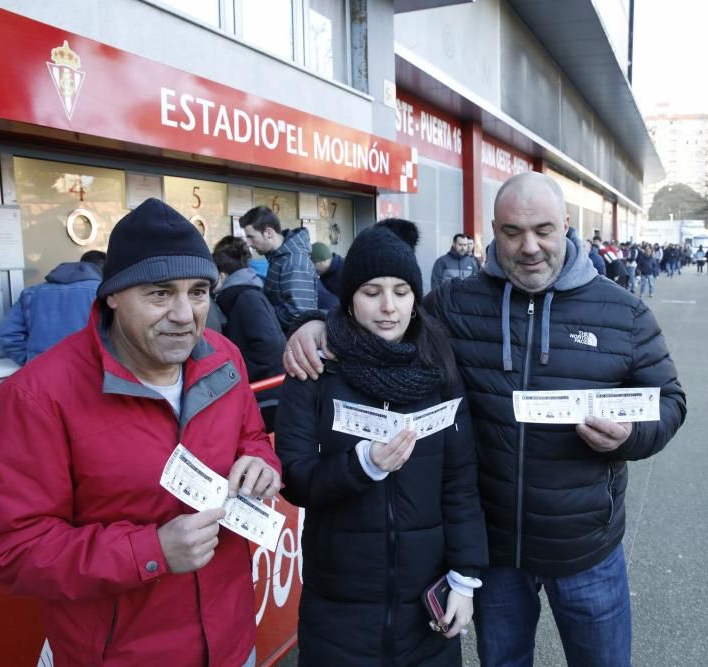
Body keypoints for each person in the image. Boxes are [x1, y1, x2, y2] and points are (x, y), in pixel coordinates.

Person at [283, 172, 687, 667]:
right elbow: (388, 318)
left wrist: (630, 436)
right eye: (513, 232)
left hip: (584, 547)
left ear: (567, 225)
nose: (530, 246)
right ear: (493, 231)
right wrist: (314, 324)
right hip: (494, 553)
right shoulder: (456, 303)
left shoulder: (622, 312)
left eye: (543, 229)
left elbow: (669, 400)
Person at [0, 198, 282, 666]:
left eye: (198, 292)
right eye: (160, 294)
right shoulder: (36, 397)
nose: (184, 315)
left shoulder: (224, 358)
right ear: (112, 296)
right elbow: (11, 550)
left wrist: (262, 465)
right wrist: (151, 551)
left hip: (231, 642)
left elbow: (251, 439)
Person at [276, 218, 487, 666]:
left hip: (425, 601)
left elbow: (461, 482)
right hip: (339, 603)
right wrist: (361, 466)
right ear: (350, 298)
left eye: (401, 291)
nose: (388, 306)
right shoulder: (317, 367)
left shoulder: (438, 364)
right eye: (372, 292)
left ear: (416, 296)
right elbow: (294, 479)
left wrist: (466, 579)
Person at [212, 235, 287, 429]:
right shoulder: (244, 294)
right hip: (265, 392)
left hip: (267, 395)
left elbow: (271, 347)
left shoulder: (247, 298)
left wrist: (235, 372)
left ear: (221, 276)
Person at [0, 250, 106, 365]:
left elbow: (7, 335)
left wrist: (32, 361)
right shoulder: (103, 294)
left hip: (40, 375)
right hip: (87, 372)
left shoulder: (32, 293)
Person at [240, 205, 320, 332]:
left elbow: (298, 314)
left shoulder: (294, 262)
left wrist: (260, 311)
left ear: (269, 233)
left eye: (251, 237)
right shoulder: (280, 258)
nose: (248, 243)